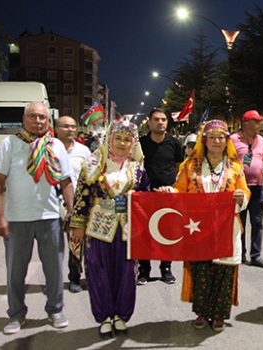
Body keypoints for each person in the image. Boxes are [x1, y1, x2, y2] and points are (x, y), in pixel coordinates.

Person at [0, 102, 73, 334]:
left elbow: (66, 181)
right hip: (17, 220)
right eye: (33, 116)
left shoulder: (55, 145)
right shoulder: (10, 144)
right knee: (15, 272)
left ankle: (55, 309)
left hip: (50, 218)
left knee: (54, 270)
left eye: (43, 117)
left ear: (48, 121)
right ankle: (16, 314)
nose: (38, 121)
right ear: (24, 119)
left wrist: (71, 212)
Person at [157, 120, 249, 333]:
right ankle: (202, 312)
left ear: (226, 142)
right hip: (197, 228)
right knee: (201, 270)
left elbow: (245, 193)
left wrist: (240, 197)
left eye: (221, 138)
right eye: (212, 137)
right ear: (204, 140)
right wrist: (169, 193)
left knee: (224, 272)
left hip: (226, 229)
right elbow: (180, 189)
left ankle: (219, 315)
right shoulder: (191, 165)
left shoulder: (235, 167)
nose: (216, 141)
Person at [70, 119, 148, 338]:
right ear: (109, 139)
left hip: (127, 228)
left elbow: (147, 195)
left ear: (132, 143)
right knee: (98, 271)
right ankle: (104, 316)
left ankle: (121, 315)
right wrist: (77, 224)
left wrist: (144, 196)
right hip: (97, 227)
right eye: (118, 139)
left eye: (127, 140)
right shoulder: (92, 165)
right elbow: (81, 197)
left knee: (126, 272)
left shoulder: (138, 169)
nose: (122, 144)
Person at [138, 107, 185, 285]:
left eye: (163, 119)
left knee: (167, 233)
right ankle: (144, 270)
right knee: (144, 234)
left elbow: (178, 167)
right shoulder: (140, 144)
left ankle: (166, 269)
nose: (160, 122)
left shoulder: (175, 143)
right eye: (156, 119)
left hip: (168, 195)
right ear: (149, 122)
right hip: (145, 195)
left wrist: (171, 187)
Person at [54, 116, 92, 293]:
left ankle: (75, 278)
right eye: (65, 126)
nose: (70, 129)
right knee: (54, 245)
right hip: (53, 202)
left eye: (73, 126)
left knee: (76, 242)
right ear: (55, 128)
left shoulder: (83, 151)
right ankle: (53, 281)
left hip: (77, 203)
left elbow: (91, 174)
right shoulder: (48, 148)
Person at [230, 110, 263, 268]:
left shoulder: (260, 139)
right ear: (247, 124)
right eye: (257, 122)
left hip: (257, 187)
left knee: (257, 222)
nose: (259, 125)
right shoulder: (233, 139)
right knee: (240, 222)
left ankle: (256, 256)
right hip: (239, 188)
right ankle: (239, 254)